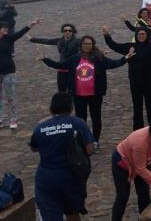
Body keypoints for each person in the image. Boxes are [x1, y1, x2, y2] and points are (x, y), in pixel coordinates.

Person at [39, 34, 131, 149]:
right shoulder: (75, 59)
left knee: (96, 117)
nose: (86, 46)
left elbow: (114, 64)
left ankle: (95, 141)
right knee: (80, 119)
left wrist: (126, 58)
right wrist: (45, 60)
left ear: (92, 45)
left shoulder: (99, 59)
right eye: (84, 44)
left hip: (95, 94)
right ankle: (83, 141)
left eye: (89, 44)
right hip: (78, 95)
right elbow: (61, 65)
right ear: (81, 45)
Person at [29, 93, 95, 221]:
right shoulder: (78, 123)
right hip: (71, 179)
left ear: (51, 108)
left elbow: (34, 147)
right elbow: (90, 149)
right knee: (72, 212)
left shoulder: (41, 128)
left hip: (46, 179)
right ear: (71, 108)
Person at [111, 116, 151, 220]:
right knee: (122, 196)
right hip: (122, 164)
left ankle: (145, 218)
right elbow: (140, 169)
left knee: (144, 193)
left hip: (142, 162)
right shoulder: (140, 143)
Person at [104, 27, 151, 130]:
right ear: (136, 36)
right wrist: (106, 35)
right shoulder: (130, 47)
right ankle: (137, 130)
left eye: (144, 34)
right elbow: (114, 46)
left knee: (150, 106)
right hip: (135, 82)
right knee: (137, 107)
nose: (141, 36)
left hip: (149, 81)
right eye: (139, 34)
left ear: (147, 35)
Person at [28, 23, 81, 92]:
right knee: (61, 91)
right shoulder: (59, 41)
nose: (67, 32)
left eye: (70, 30)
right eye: (65, 30)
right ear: (62, 32)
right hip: (61, 68)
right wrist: (33, 39)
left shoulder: (78, 41)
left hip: (73, 70)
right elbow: (46, 41)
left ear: (73, 32)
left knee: (73, 90)